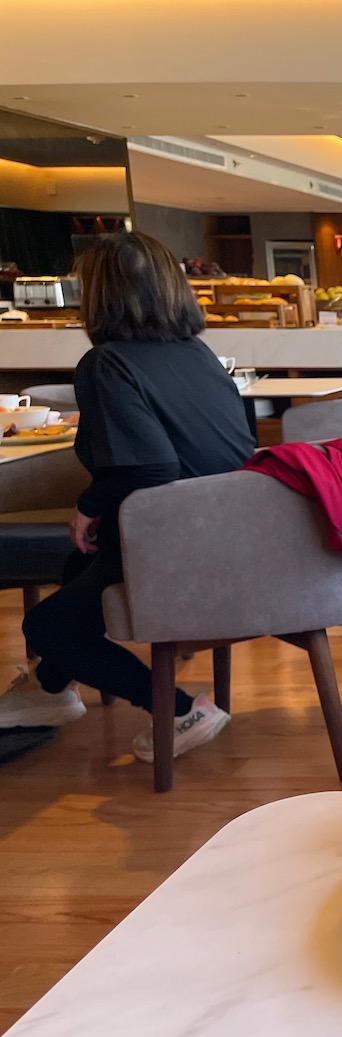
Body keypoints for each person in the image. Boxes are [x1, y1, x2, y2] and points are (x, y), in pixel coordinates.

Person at [0, 232, 255, 762]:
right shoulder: (197, 354)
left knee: (43, 624)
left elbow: (151, 466)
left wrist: (91, 503)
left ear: (102, 297)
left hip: (174, 546)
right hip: (236, 538)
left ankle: (181, 709)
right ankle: (53, 689)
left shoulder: (107, 363)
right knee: (78, 568)